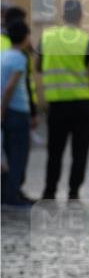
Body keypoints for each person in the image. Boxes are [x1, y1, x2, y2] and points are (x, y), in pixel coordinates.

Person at [36, 0, 89, 201]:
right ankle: (73, 192)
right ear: (80, 15)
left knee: (54, 150)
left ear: (63, 15)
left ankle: (49, 191)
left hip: (56, 105)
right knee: (79, 152)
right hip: (82, 105)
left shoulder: (46, 38)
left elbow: (38, 66)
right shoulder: (86, 40)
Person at [1, 20, 33, 208]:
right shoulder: (20, 58)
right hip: (17, 112)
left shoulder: (3, 55)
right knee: (18, 156)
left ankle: (5, 194)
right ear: (25, 37)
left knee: (7, 153)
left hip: (6, 112)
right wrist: (3, 108)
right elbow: (11, 86)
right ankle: (13, 197)